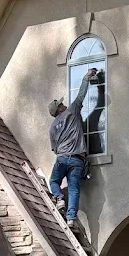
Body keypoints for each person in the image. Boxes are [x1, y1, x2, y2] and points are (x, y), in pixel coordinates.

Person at [47, 67, 100, 229]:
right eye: (61, 104)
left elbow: (54, 149)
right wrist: (87, 76)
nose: (63, 104)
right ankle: (70, 219)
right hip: (77, 158)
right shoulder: (73, 111)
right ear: (60, 109)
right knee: (74, 188)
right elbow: (82, 94)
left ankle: (59, 198)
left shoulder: (52, 127)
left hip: (62, 157)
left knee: (54, 181)